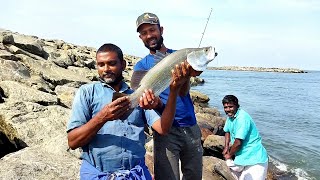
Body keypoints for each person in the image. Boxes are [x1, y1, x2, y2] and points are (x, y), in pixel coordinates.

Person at [67, 43, 191, 180]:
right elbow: (73, 142)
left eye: (112, 63)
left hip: (135, 174)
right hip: (98, 173)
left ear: (123, 65)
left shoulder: (138, 94)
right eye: (101, 65)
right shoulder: (87, 92)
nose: (106, 69)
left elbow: (163, 128)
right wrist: (103, 117)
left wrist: (174, 90)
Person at [133, 12, 203, 180]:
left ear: (161, 30)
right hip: (165, 131)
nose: (149, 35)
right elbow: (142, 102)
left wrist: (188, 75)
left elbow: (184, 92)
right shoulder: (141, 66)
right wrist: (154, 103)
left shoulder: (179, 56)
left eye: (152, 30)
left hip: (191, 126)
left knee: (194, 176)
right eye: (144, 33)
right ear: (140, 37)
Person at [222, 95, 268, 180]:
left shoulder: (242, 118)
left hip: (255, 159)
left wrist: (229, 155)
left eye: (231, 107)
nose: (228, 109)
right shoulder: (231, 116)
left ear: (236, 106)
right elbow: (227, 131)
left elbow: (238, 143)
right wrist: (226, 146)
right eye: (225, 107)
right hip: (242, 157)